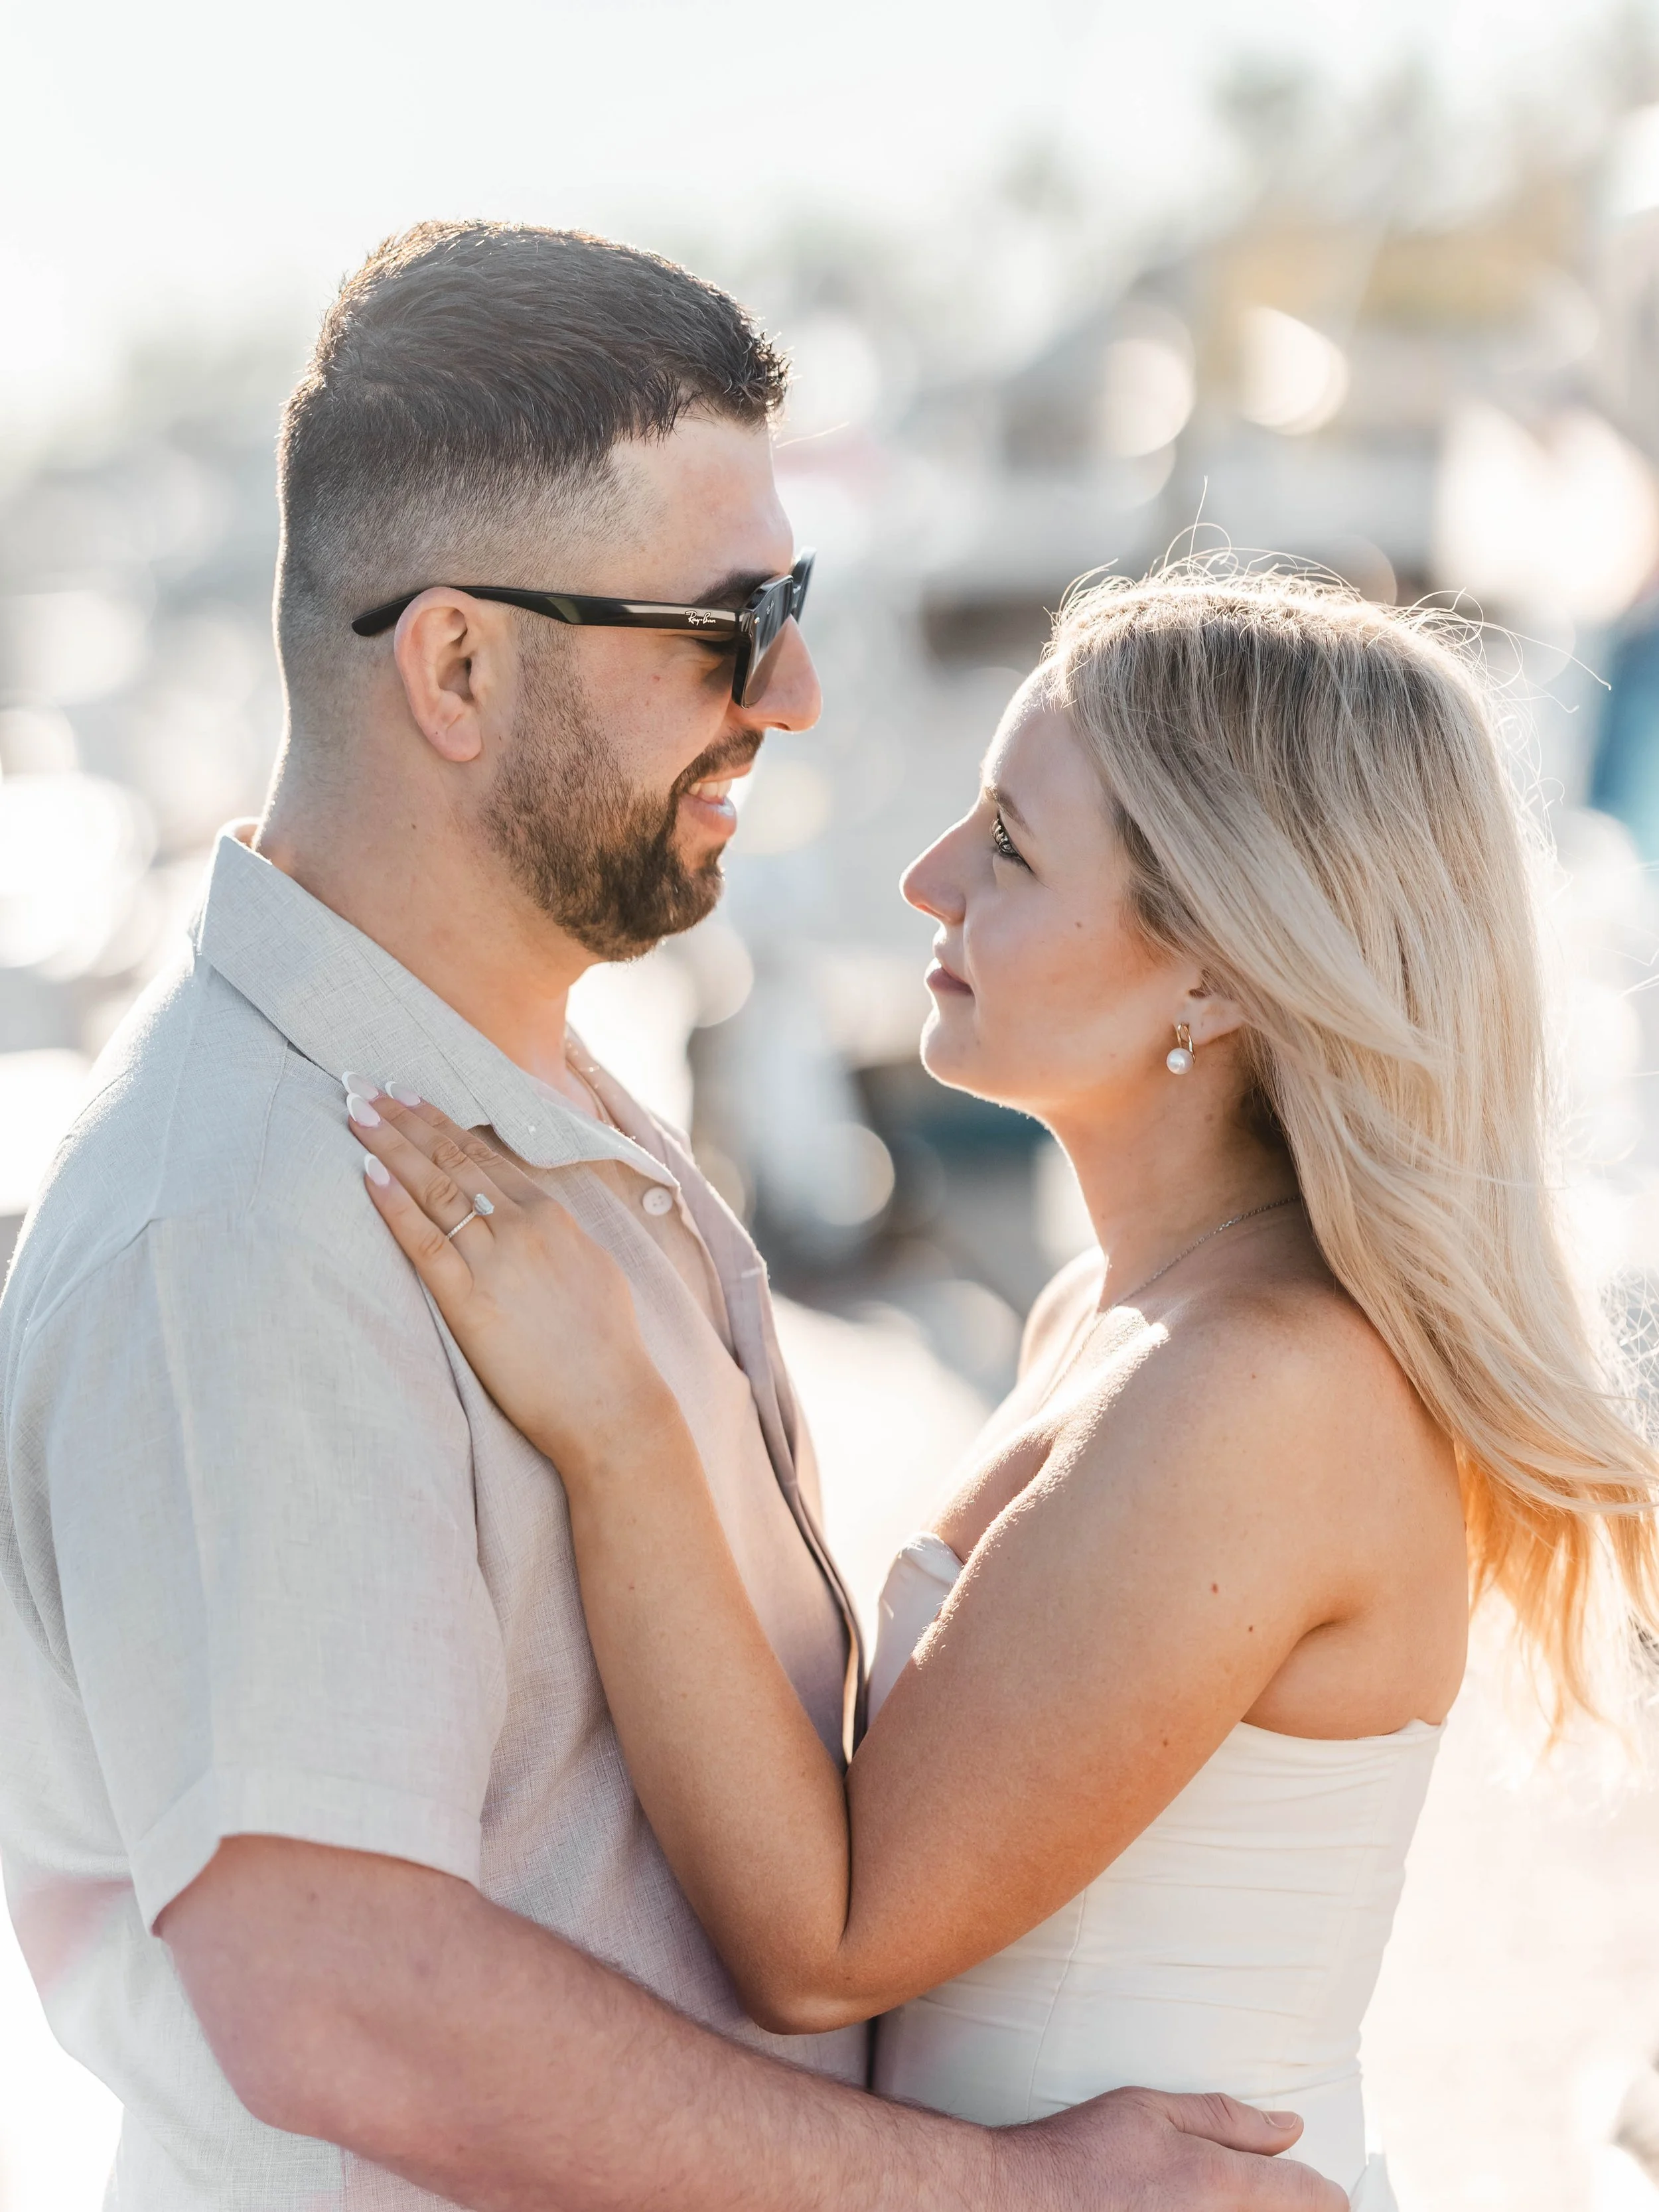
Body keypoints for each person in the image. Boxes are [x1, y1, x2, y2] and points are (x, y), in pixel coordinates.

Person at [0, 224, 1336, 2211]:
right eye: (726, 624)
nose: (789, 692)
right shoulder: (255, 1218)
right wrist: (1010, 2199)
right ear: (457, 663)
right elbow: (338, 1992)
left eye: (790, 603)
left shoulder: (517, 1107)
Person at [341, 565, 1659, 2211]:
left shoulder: (1264, 1387)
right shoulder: (1104, 1314)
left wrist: (619, 1421)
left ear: (1217, 974)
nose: (925, 877)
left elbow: (825, 1941)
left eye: (1011, 847)